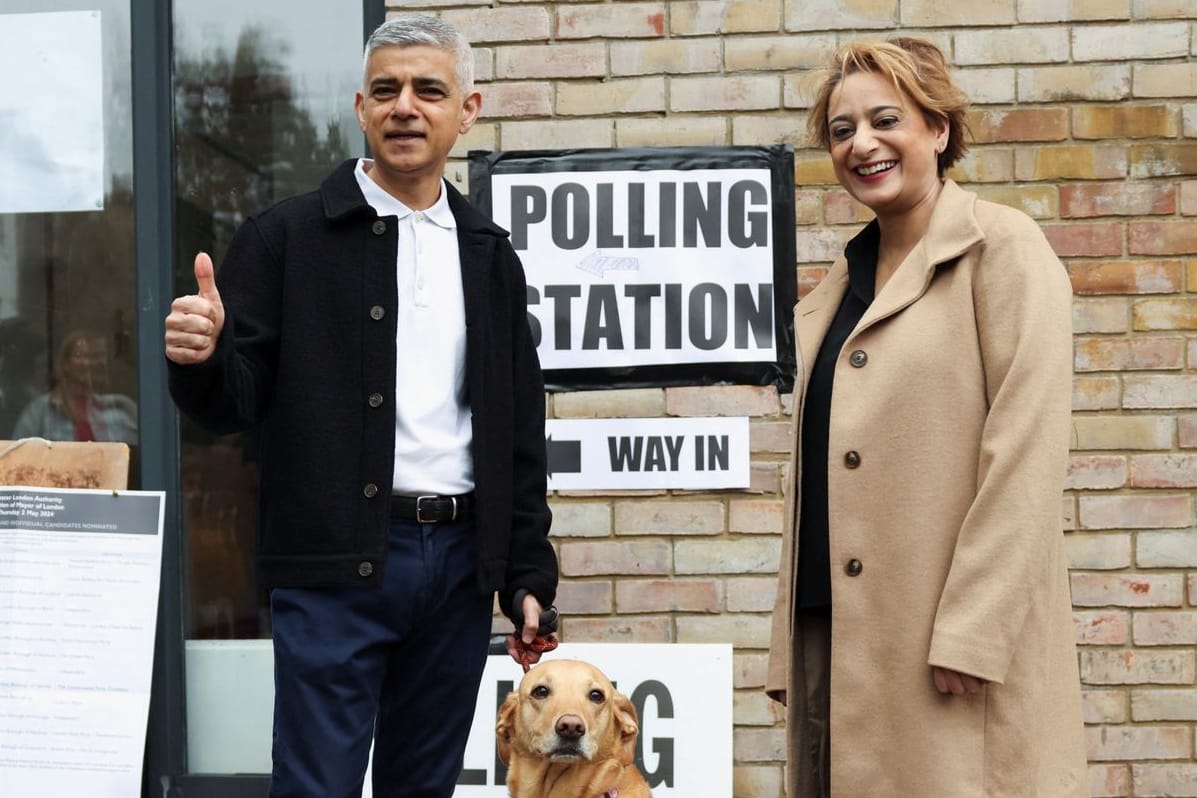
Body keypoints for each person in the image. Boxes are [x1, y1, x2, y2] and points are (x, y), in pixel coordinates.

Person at [163, 14, 558, 798]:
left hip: (452, 571)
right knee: (318, 787)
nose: (405, 106)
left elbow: (515, 428)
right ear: (360, 106)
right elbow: (233, 402)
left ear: (467, 110)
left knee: (424, 785)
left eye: (428, 90)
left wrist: (524, 572)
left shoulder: (488, 255)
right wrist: (204, 354)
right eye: (387, 90)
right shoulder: (285, 238)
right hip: (332, 566)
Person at [766, 38, 1087, 797]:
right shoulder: (838, 287)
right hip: (841, 637)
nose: (862, 144)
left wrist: (975, 629)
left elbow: (1025, 454)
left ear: (938, 130)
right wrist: (789, 648)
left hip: (945, 644)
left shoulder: (1000, 250)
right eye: (841, 131)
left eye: (885, 120)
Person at [12, 329, 137, 444]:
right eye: (79, 355)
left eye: (95, 356)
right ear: (65, 363)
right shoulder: (40, 411)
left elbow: (141, 456)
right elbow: (15, 458)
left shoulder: (120, 408)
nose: (87, 362)